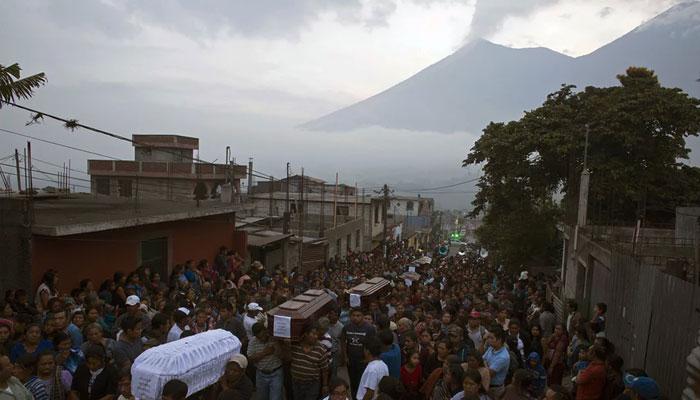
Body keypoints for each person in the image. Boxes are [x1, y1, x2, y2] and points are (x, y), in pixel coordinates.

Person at [342, 308, 376, 398]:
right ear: (350, 316)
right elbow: (343, 342)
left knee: (363, 383)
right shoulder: (346, 327)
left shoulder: (369, 329)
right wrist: (345, 357)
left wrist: (368, 359)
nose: (355, 318)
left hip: (363, 361)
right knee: (353, 383)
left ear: (362, 316)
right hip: (351, 361)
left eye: (358, 315)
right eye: (353, 315)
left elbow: (372, 345)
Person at [289, 324, 329, 400]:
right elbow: (287, 359)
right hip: (296, 383)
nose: (316, 337)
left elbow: (324, 370)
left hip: (312, 385)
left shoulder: (320, 349)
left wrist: (325, 385)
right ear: (305, 334)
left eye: (317, 334)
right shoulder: (294, 345)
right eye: (313, 334)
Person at [246, 322, 282, 400]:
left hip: (276, 373)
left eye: (263, 336)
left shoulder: (274, 339)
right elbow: (250, 358)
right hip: (261, 374)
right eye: (259, 337)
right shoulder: (253, 341)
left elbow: (281, 355)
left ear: (266, 331)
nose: (262, 339)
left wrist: (277, 346)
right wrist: (265, 353)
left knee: (275, 398)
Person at [482, 329, 509, 399]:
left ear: (499, 340)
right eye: (488, 338)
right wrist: (485, 364)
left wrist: (484, 363)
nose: (488, 340)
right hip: (487, 385)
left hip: (495, 390)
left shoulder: (503, 357)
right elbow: (482, 359)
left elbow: (489, 373)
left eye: (491, 338)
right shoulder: (491, 348)